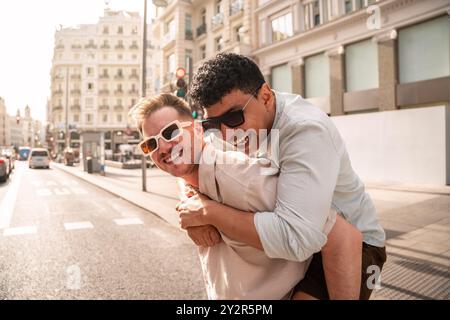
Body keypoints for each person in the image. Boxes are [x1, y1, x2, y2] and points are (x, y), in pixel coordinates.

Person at [178, 53, 387, 300]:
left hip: (356, 241)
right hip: (311, 236)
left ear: (265, 96)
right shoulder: (236, 126)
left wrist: (206, 212)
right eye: (213, 123)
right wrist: (189, 200)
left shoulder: (307, 132)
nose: (226, 134)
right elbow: (190, 161)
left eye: (234, 117)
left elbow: (296, 238)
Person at [131, 93, 362, 299]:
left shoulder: (245, 179)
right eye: (150, 144)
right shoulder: (196, 176)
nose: (161, 147)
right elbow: (187, 170)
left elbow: (343, 236)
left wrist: (206, 212)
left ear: (198, 128)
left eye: (170, 132)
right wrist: (192, 203)